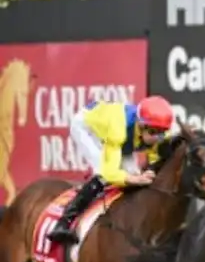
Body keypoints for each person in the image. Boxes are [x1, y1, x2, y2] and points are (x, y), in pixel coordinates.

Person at [47, 95, 175, 244]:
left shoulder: (158, 135)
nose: (157, 138)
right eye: (153, 132)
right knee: (102, 173)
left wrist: (145, 174)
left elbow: (155, 160)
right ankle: (64, 222)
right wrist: (135, 179)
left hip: (123, 140)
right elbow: (109, 172)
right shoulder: (118, 130)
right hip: (88, 128)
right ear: (141, 125)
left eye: (162, 132)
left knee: (134, 177)